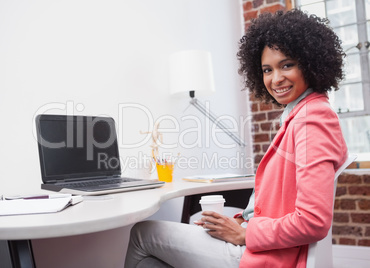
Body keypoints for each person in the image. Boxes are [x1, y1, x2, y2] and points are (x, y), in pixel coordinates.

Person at [124, 9, 348, 268]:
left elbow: (314, 222)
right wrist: (240, 221)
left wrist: (244, 233)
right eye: (267, 69)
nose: (276, 79)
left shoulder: (314, 120)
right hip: (261, 243)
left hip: (266, 255)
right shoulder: (299, 115)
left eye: (287, 65)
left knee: (142, 234)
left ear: (310, 63)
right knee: (154, 260)